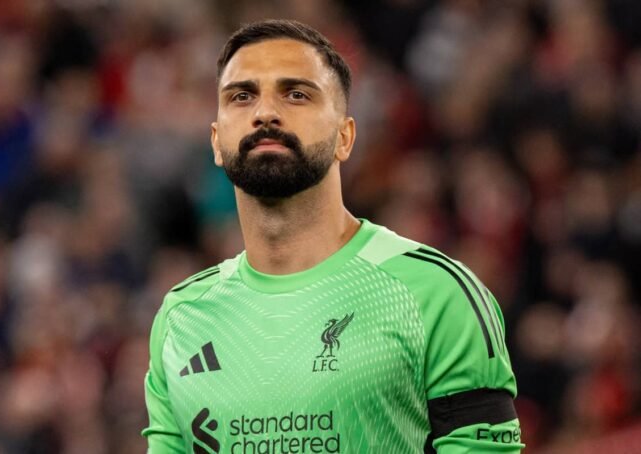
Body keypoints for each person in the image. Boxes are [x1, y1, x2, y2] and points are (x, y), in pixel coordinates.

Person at [143, 19, 523, 453]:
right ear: (216, 141)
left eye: (296, 94)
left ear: (345, 137)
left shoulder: (436, 294)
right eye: (241, 96)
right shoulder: (182, 318)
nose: (264, 113)